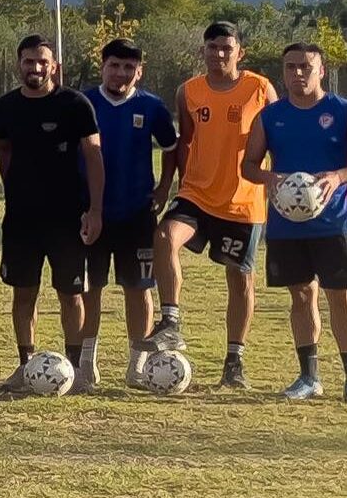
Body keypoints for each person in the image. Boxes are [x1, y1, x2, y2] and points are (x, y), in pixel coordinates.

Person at [148, 22, 277, 389]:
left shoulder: (259, 88)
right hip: (197, 195)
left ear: (240, 52)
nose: (219, 54)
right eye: (212, 47)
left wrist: (281, 185)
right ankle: (171, 320)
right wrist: (173, 185)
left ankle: (234, 362)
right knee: (163, 237)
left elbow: (278, 134)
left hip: (242, 203)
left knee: (239, 281)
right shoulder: (188, 92)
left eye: (226, 47)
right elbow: (185, 142)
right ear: (202, 51)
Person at [0, 36, 104, 394]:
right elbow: (4, 149)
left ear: (54, 65)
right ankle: (25, 367)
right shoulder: (6, 106)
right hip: (22, 219)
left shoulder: (75, 104)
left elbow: (94, 157)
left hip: (67, 218)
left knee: (70, 295)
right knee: (23, 294)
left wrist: (95, 209)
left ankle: (74, 370)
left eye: (42, 62)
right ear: (18, 64)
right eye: (28, 61)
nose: (35, 68)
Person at [240, 43, 347, 400]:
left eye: (305, 66)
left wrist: (336, 176)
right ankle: (309, 377)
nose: (297, 73)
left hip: (335, 223)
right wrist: (271, 179)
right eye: (290, 67)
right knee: (301, 296)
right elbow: (249, 166)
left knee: (340, 297)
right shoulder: (271, 116)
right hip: (287, 225)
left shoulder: (341, 111)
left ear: (321, 70)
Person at [82, 38, 177, 388]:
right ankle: (86, 363)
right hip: (91, 213)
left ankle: (137, 366)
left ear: (139, 71)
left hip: (137, 212)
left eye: (128, 67)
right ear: (102, 67)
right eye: (114, 65)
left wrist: (165, 187)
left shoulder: (152, 106)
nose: (121, 73)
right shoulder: (84, 103)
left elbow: (171, 148)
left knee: (138, 289)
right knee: (89, 288)